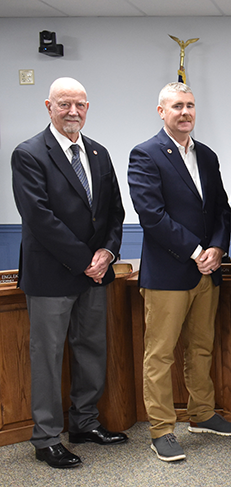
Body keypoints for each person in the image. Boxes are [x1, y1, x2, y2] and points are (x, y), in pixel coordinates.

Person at [11, 77, 127, 468]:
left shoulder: (98, 152)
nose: (73, 111)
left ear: (88, 107)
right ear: (49, 106)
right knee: (47, 356)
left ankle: (84, 423)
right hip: (52, 276)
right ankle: (45, 439)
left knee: (92, 349)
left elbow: (114, 212)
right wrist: (85, 260)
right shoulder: (28, 154)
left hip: (94, 273)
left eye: (79, 104)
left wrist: (108, 252)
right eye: (64, 104)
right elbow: (39, 218)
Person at [128, 82, 231, 463]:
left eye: (190, 105)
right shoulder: (145, 155)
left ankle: (202, 414)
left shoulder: (207, 156)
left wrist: (217, 249)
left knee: (201, 347)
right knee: (160, 355)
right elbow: (151, 216)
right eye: (177, 106)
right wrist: (196, 251)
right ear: (161, 111)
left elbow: (222, 210)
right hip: (168, 274)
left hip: (207, 273)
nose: (185, 112)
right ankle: (161, 430)